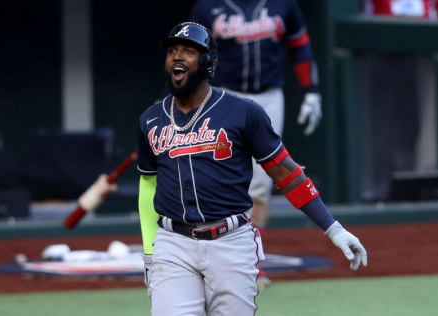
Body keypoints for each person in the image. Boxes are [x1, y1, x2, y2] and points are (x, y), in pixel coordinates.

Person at [134, 22, 367, 316]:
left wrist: (333, 229)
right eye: (172, 51)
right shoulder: (151, 120)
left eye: (189, 51)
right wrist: (149, 251)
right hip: (173, 245)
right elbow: (148, 186)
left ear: (207, 64)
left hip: (230, 243)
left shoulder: (243, 112)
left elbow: (287, 174)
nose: (177, 57)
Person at [189, 0, 323, 285]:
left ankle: (250, 261)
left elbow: (300, 46)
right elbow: (193, 55)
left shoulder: (283, 4)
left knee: (260, 184)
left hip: (268, 97)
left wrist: (311, 92)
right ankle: (210, 259)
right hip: (223, 96)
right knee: (216, 178)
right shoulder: (208, 6)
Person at [359, 0, 438, 201]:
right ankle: (376, 190)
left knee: (411, 124)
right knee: (377, 124)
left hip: (422, 48)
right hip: (376, 47)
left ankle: (407, 189)